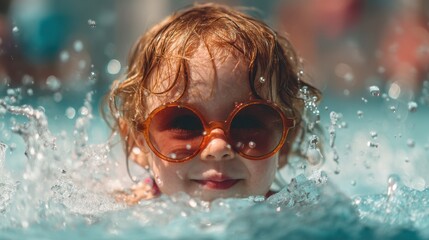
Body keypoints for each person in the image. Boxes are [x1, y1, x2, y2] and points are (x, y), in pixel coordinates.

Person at [103, 3, 321, 204]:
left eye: (247, 123)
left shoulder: (292, 217)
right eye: (185, 125)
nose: (218, 148)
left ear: (284, 144)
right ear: (138, 144)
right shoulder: (134, 210)